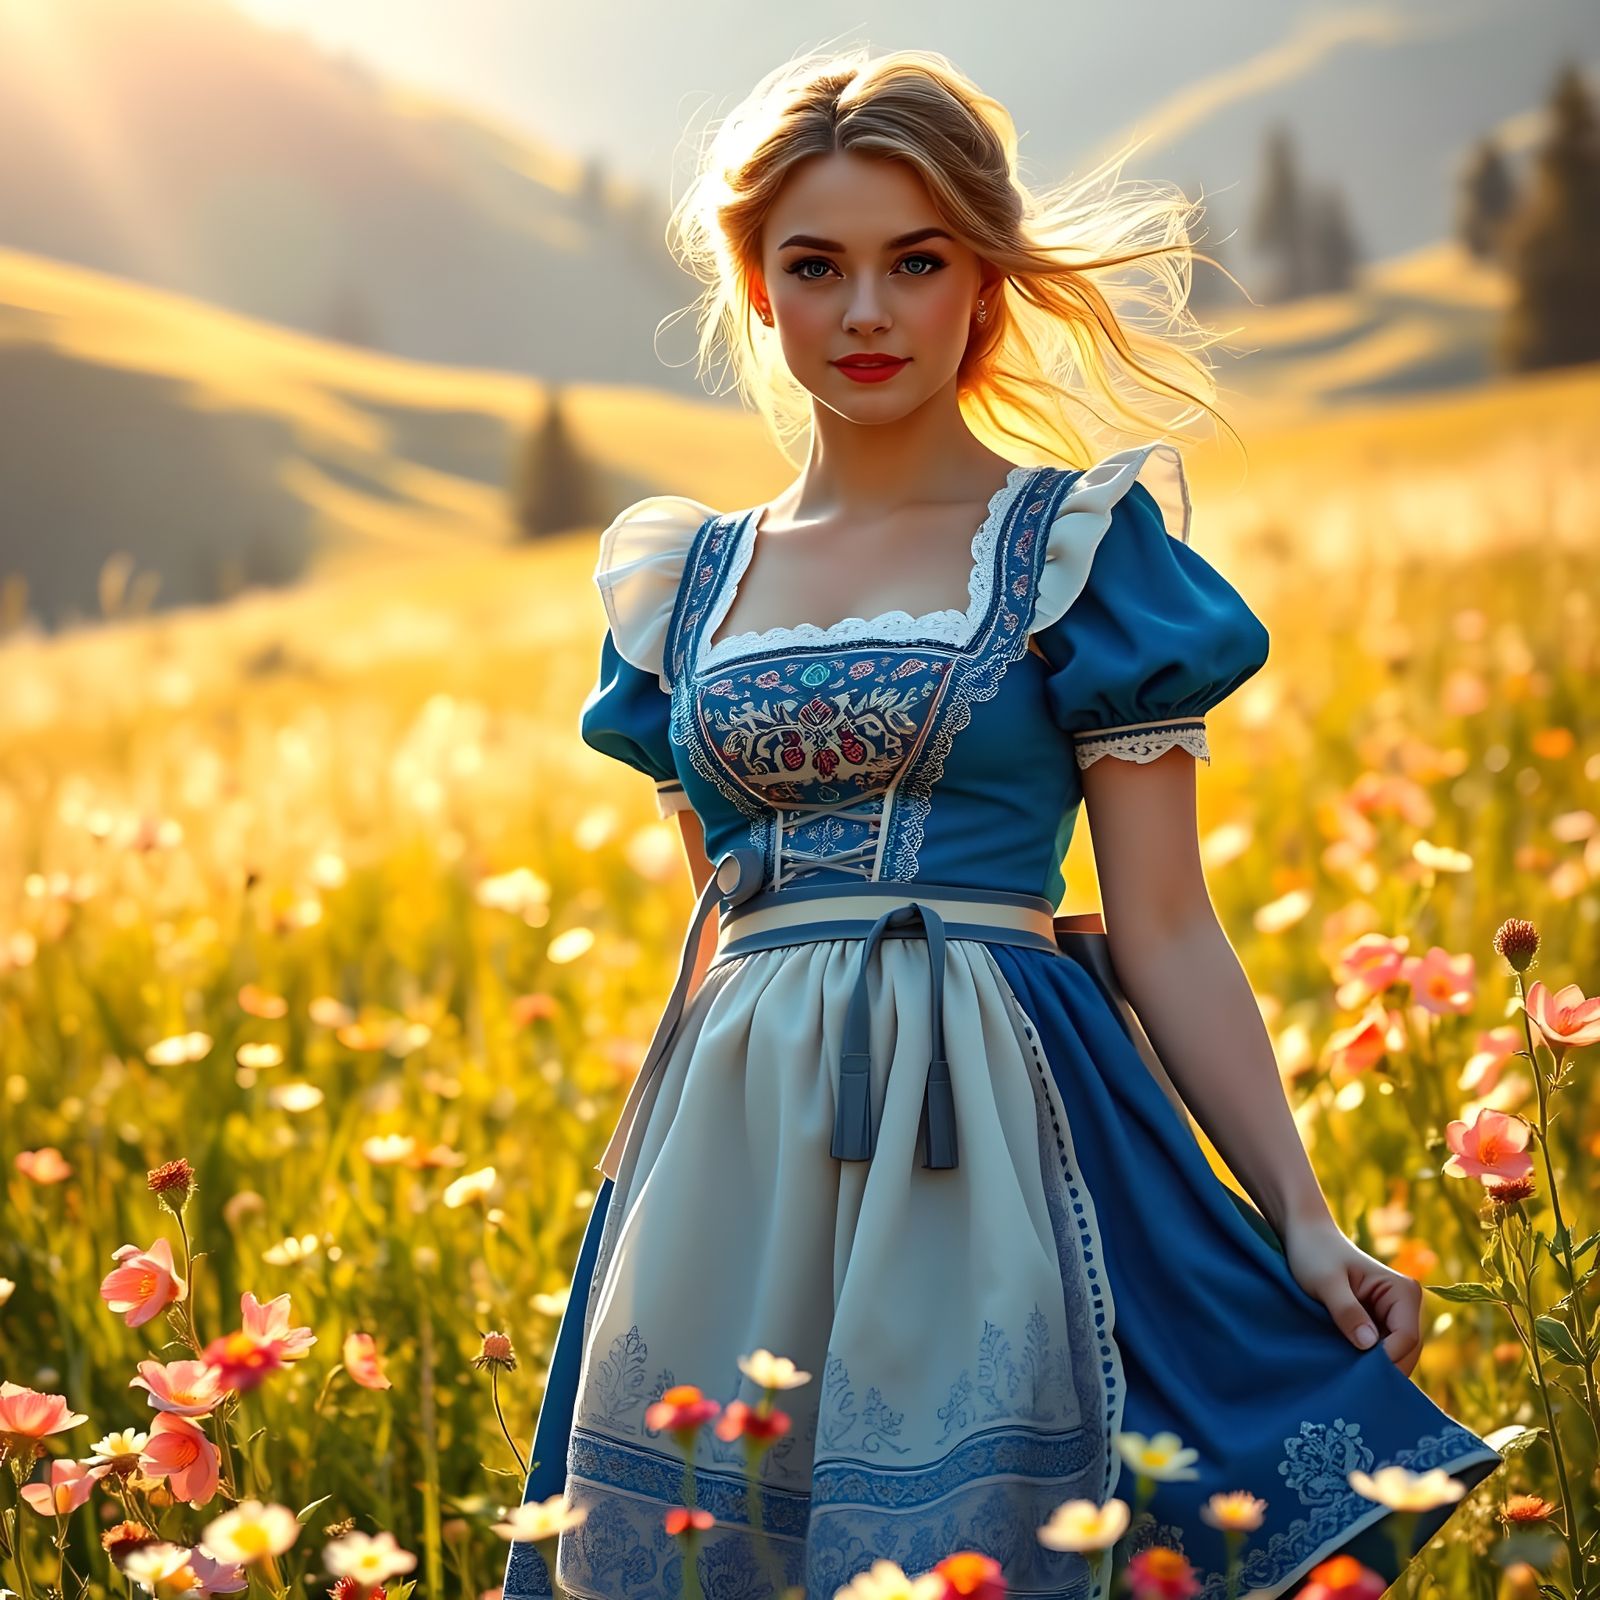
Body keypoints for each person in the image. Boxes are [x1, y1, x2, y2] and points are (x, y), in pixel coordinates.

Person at [502, 45, 1503, 1600]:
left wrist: (1301, 1220)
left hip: (993, 1124)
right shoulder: (677, 584)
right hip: (736, 1144)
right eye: (815, 266)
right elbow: (728, 924)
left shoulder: (1076, 550)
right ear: (756, 290)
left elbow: (1164, 924)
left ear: (986, 278)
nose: (866, 313)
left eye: (917, 261)